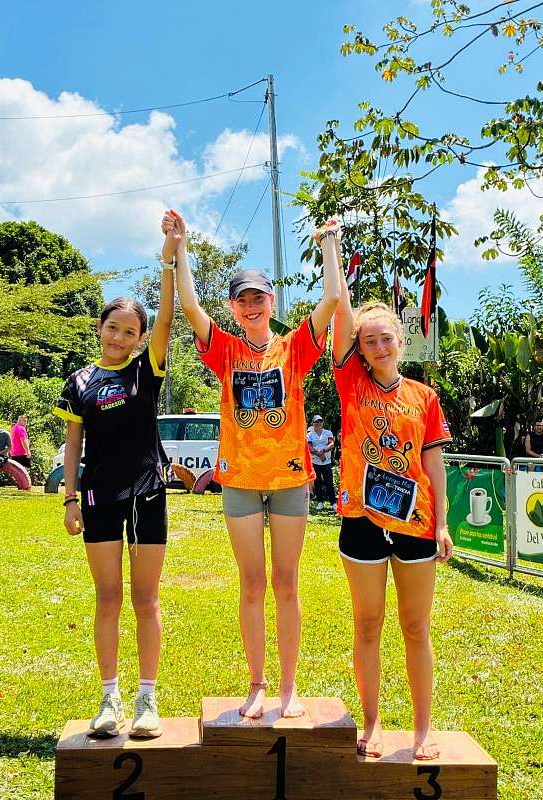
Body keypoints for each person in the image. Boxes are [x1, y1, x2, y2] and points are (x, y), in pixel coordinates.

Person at [166, 208, 340, 718]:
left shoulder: (295, 348)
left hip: (289, 479)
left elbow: (332, 299)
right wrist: (180, 248)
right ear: (233, 307)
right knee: (252, 583)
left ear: (271, 302)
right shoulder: (224, 350)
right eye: (242, 299)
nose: (251, 306)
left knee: (286, 582)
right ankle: (257, 683)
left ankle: (288, 688)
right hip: (240, 480)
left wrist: (329, 241)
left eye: (258, 298)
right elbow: (190, 306)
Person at [53, 237, 174, 739]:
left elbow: (167, 317)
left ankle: (147, 700)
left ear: (142, 338)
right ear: (99, 328)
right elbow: (73, 444)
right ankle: (109, 698)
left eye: (130, 331)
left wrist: (169, 257)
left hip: (148, 494)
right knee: (107, 599)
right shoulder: (79, 382)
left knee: (146, 599)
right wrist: (70, 498)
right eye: (112, 328)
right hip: (98, 498)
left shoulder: (147, 369)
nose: (119, 337)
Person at [332, 256, 453, 761]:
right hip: (361, 521)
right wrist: (332, 248)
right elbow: (339, 311)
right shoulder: (351, 384)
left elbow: (434, 464)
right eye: (369, 341)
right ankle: (373, 722)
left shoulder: (425, 397)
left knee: (415, 628)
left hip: (416, 524)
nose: (379, 347)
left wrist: (443, 523)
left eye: (386, 338)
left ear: (401, 340)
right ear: (358, 349)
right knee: (367, 625)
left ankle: (423, 729)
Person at [306, 415, 336, 509]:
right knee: (317, 482)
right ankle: (320, 502)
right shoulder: (309, 435)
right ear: (313, 423)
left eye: (320, 421)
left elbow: (331, 444)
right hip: (315, 461)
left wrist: (323, 451)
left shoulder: (328, 432)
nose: (318, 423)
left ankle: (333, 502)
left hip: (326, 461)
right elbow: (309, 447)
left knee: (329, 482)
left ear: (323, 422)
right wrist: (319, 454)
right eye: (316, 421)